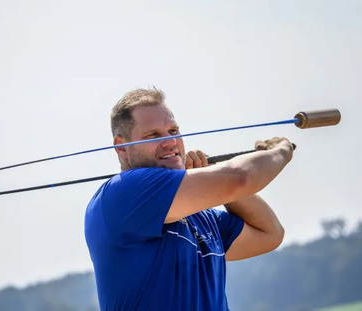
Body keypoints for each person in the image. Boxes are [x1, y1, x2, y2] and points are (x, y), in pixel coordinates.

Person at [84, 87, 293, 311]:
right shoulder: (126, 192)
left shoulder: (201, 216)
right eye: (153, 135)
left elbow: (270, 234)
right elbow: (241, 179)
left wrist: (211, 177)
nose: (170, 142)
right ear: (121, 148)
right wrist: (282, 151)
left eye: (173, 131)